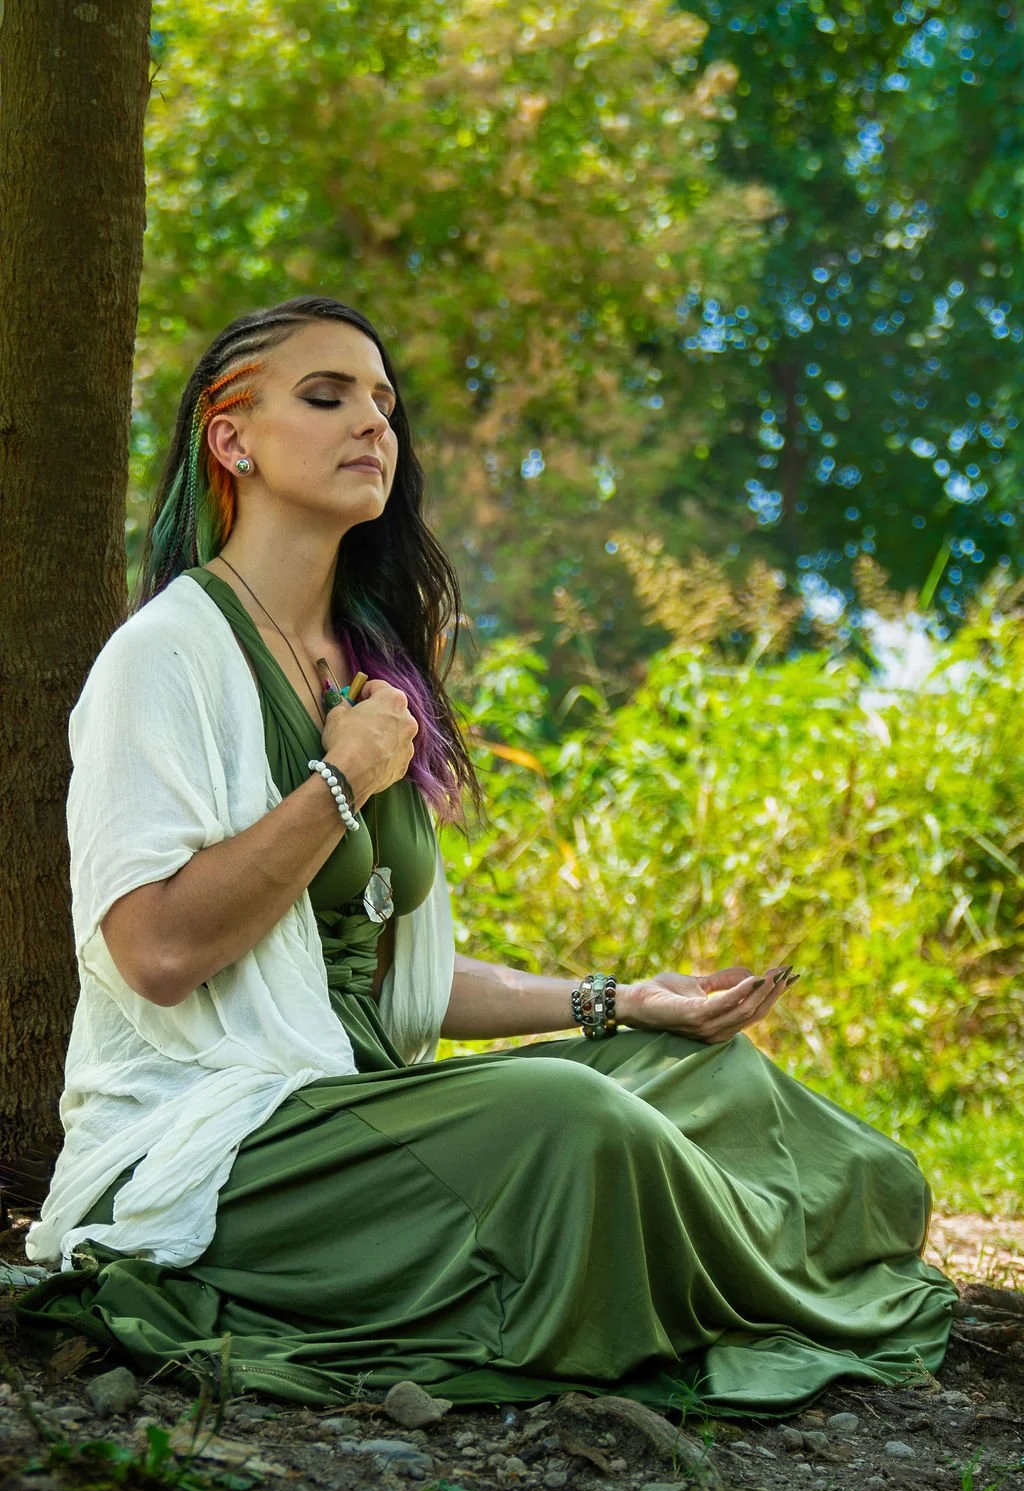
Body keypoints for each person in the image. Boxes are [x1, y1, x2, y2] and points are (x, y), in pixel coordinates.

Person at [19, 296, 957, 1415]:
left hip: (374, 1108)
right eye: (326, 397)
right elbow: (159, 951)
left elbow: (391, 981)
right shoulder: (162, 657)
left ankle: (714, 1259)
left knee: (730, 1086)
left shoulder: (365, 665)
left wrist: (617, 1000)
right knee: (577, 1124)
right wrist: (337, 784)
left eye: (383, 403)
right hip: (220, 1147)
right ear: (233, 440)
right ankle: (752, 1281)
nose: (372, 422)